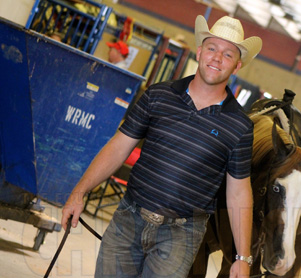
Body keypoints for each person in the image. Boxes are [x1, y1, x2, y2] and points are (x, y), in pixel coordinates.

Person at [61, 14, 262, 278]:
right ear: (200, 52)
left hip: (181, 235)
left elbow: (238, 193)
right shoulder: (159, 95)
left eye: (227, 54)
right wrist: (79, 192)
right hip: (128, 220)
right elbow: (118, 147)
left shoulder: (239, 126)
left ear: (236, 66)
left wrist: (242, 257)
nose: (216, 58)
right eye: (212, 48)